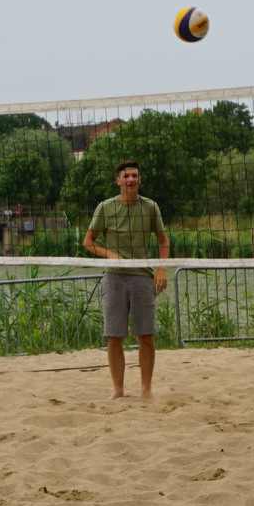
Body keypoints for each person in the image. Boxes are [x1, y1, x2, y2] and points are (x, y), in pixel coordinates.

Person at [81, 160, 171, 399]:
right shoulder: (105, 207)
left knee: (146, 335)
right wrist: (109, 254)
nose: (131, 179)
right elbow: (88, 242)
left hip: (142, 276)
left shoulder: (151, 207)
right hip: (114, 278)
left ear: (139, 180)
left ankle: (146, 390)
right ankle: (118, 390)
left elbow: (163, 241)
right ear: (118, 180)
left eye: (134, 176)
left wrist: (161, 269)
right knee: (114, 336)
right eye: (126, 176)